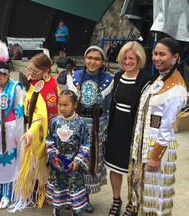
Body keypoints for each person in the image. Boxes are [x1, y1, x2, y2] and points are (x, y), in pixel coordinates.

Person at [125, 37, 187, 216]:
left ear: (175, 57)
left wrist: (155, 156)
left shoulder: (176, 88)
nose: (156, 58)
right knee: (142, 191)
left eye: (162, 54)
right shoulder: (160, 79)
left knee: (155, 196)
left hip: (157, 149)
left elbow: (166, 127)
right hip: (143, 144)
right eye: (154, 53)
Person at [103, 41, 151, 216]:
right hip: (117, 127)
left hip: (135, 130)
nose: (128, 61)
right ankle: (117, 200)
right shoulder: (117, 76)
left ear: (139, 59)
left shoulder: (146, 79)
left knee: (133, 169)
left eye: (132, 58)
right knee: (115, 167)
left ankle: (132, 202)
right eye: (125, 58)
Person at [10, 53, 59, 212]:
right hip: (28, 126)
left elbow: (42, 116)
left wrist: (31, 132)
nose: (30, 73)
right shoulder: (32, 82)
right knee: (32, 163)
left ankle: (43, 193)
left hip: (41, 129)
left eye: (34, 71)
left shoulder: (50, 88)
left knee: (42, 163)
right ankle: (35, 189)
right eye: (29, 69)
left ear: (46, 71)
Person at [72, 45, 114, 213]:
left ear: (102, 61)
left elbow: (110, 107)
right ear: (85, 58)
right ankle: (73, 196)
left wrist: (108, 130)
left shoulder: (108, 79)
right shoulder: (75, 77)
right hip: (78, 125)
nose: (92, 61)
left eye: (97, 59)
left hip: (97, 127)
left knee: (90, 162)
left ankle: (85, 198)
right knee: (74, 160)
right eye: (90, 58)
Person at [0, 40, 24, 209]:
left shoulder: (16, 87)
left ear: (7, 74)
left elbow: (20, 112)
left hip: (9, 131)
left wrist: (19, 135)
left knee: (8, 161)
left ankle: (8, 193)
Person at [46, 90, 91, 216]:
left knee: (74, 187)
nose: (62, 108)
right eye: (60, 105)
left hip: (73, 164)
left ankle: (75, 211)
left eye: (66, 105)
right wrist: (53, 155)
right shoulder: (55, 122)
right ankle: (57, 210)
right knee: (58, 186)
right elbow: (49, 140)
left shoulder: (81, 123)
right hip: (58, 163)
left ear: (75, 105)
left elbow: (86, 144)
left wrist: (78, 160)